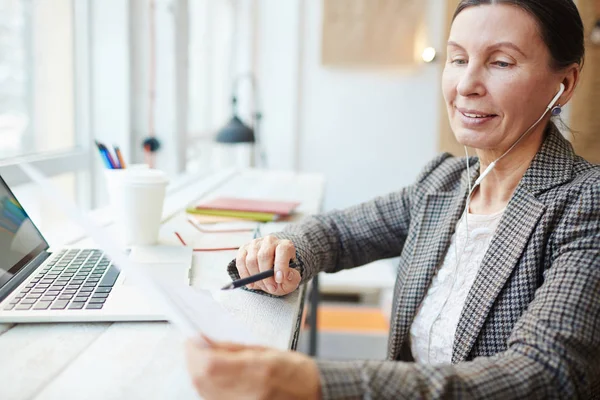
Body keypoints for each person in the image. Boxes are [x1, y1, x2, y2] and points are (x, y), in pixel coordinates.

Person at [185, 0, 600, 398]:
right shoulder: (443, 182)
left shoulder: (587, 202)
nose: (467, 85)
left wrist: (313, 382)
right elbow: (339, 233)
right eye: (457, 59)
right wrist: (284, 252)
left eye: (501, 62)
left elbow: (545, 374)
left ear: (564, 84)